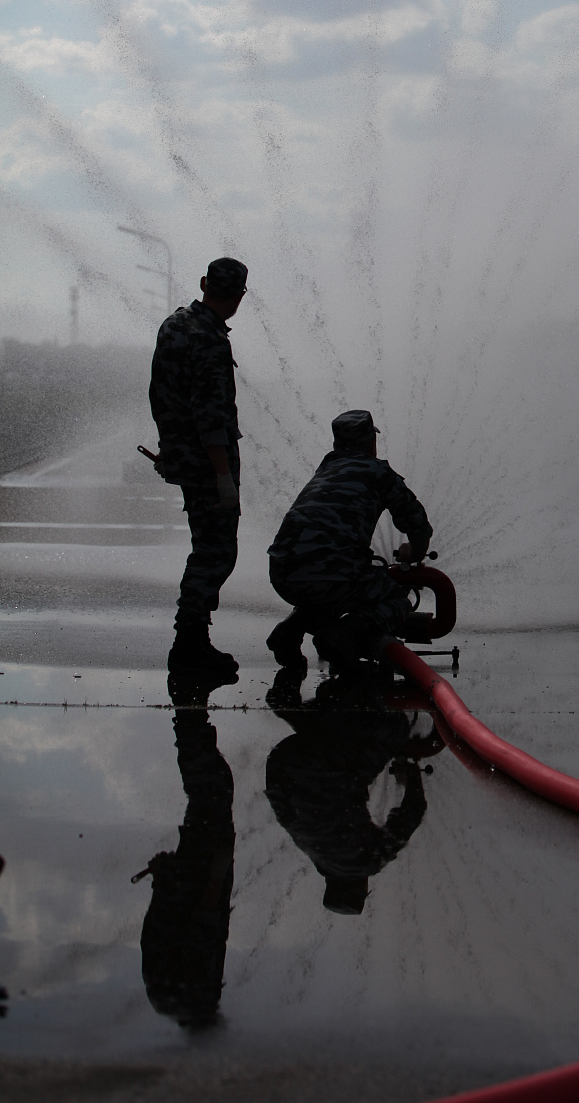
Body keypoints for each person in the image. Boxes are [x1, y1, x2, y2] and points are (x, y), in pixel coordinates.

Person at [266, 408, 432, 671]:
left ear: (336, 445)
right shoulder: (379, 472)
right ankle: (344, 634)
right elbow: (418, 525)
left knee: (331, 590)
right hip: (331, 575)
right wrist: (414, 553)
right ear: (371, 442)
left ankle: (291, 630)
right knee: (396, 599)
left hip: (282, 573)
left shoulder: (325, 469)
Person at [265, 668, 437, 914]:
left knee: (395, 729)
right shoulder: (316, 852)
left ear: (358, 886)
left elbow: (413, 811)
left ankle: (359, 698)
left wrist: (410, 769)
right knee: (327, 735)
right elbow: (284, 806)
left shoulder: (364, 863)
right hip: (286, 762)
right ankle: (300, 707)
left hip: (327, 766)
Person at [149, 257, 248, 678]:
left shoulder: (173, 325)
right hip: (208, 464)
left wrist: (171, 447)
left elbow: (161, 394)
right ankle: (190, 644)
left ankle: (191, 643)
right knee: (215, 552)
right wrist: (223, 477)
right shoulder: (209, 339)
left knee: (206, 546)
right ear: (240, 295)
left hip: (185, 456)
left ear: (205, 283)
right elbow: (210, 416)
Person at [136, 676, 235, 1028]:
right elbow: (155, 932)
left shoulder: (196, 995)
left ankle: (189, 706)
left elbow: (205, 925)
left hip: (199, 873)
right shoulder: (162, 996)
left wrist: (217, 872)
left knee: (213, 790)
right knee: (209, 792)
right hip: (182, 879)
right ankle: (190, 711)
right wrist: (164, 881)